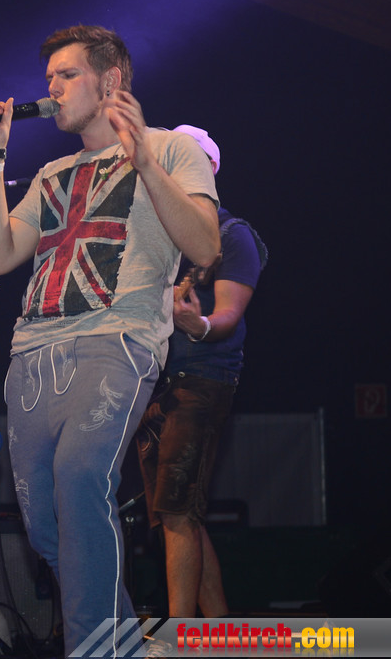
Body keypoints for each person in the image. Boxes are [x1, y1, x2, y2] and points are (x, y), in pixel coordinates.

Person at [0, 25, 220, 655]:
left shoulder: (171, 149)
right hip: (32, 357)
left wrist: (144, 163)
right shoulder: (51, 173)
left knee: (82, 481)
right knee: (48, 528)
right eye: (48, 77)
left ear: (111, 81)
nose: (51, 88)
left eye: (67, 74)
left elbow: (204, 246)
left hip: (116, 342)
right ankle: (125, 644)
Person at [136, 124, 268, 618]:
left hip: (202, 382)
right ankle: (218, 630)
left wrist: (198, 323)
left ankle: (182, 636)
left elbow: (228, 315)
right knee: (177, 515)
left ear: (207, 169)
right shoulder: (161, 238)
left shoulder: (232, 236)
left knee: (177, 511)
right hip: (158, 384)